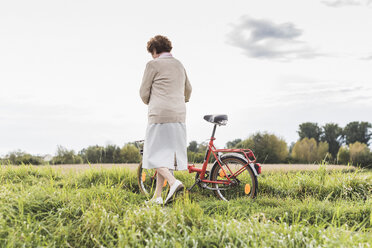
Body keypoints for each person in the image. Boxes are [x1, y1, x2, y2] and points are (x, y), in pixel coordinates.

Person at [140, 35, 192, 205]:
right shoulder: (179, 64)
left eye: (152, 53)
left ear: (155, 50)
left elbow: (143, 93)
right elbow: (188, 89)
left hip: (159, 115)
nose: (152, 56)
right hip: (179, 115)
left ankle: (173, 182)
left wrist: (151, 101)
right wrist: (178, 101)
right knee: (166, 156)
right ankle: (157, 196)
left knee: (151, 154)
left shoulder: (152, 64)